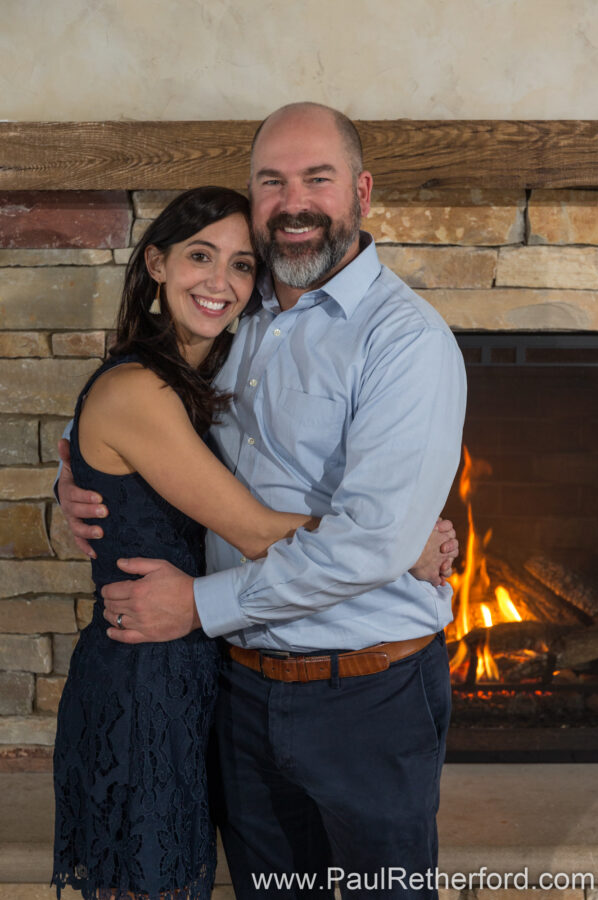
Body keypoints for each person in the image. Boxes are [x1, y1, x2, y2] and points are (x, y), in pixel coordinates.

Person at [57, 103, 466, 898]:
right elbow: (139, 414)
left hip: (367, 696)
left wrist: (201, 604)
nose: (295, 200)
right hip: (239, 691)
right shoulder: (237, 320)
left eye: (318, 177)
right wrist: (76, 480)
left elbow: (367, 541)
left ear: (362, 192)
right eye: (272, 182)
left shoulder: (404, 341)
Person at [52, 186, 337, 900]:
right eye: (199, 257)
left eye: (242, 266)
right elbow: (248, 529)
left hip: (200, 672)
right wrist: (395, 542)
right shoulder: (138, 389)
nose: (220, 282)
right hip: (143, 682)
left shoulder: (199, 374)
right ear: (155, 262)